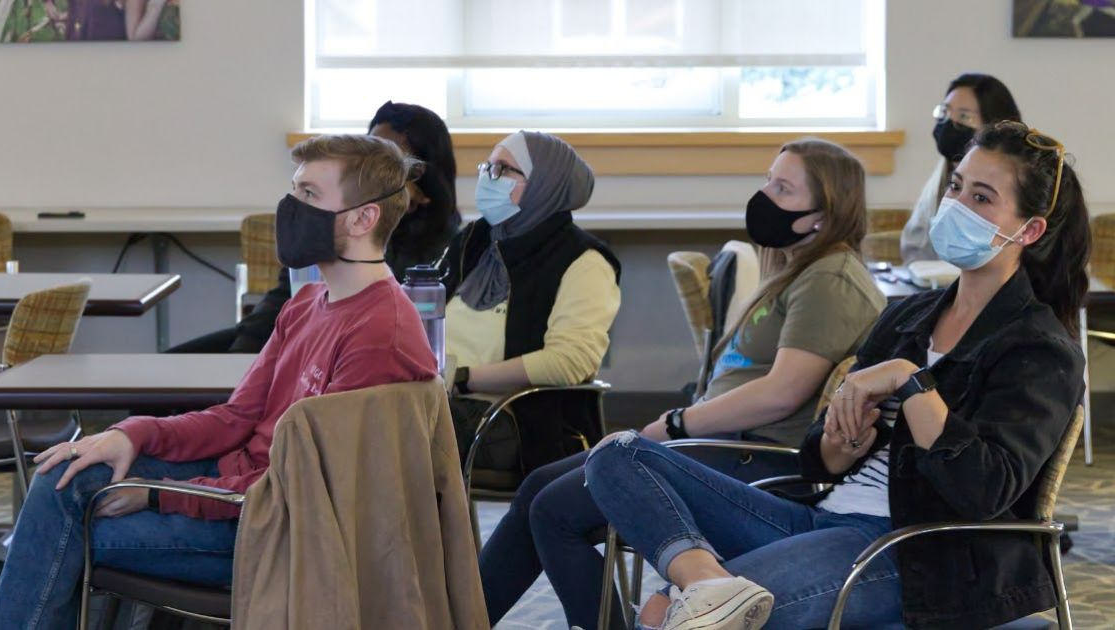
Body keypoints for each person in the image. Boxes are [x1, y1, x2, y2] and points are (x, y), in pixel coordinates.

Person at [585, 121, 1089, 630]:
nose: (956, 205)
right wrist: (838, 444)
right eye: (956, 186)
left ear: (1028, 230)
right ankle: (705, 582)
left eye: (982, 198)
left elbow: (983, 490)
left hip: (913, 552)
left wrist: (912, 382)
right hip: (821, 517)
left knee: (663, 612)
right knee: (616, 454)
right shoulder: (908, 317)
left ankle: (706, 595)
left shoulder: (1040, 349)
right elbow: (819, 460)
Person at [0, 134, 438, 629]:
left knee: (64, 528)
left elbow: (307, 490)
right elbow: (235, 417)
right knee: (66, 477)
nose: (289, 208)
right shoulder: (306, 304)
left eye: (309, 195)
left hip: (274, 524)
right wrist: (130, 435)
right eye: (293, 191)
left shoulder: (379, 333)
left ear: (362, 218)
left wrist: (159, 493)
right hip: (238, 488)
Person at [481, 138, 886, 629]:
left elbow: (783, 392)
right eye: (767, 180)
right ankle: (464, 617)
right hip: (718, 442)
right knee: (540, 489)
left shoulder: (831, 280)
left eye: (783, 188)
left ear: (824, 212)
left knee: (553, 509)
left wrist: (674, 424)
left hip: (752, 455)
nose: (764, 196)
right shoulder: (799, 269)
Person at [168, 101, 461, 354]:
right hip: (287, 339)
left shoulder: (449, 246)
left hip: (332, 357)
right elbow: (284, 299)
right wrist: (243, 351)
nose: (373, 167)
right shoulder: (331, 220)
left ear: (422, 175)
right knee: (165, 374)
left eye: (391, 161)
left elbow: (393, 317)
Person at [441, 131, 621, 475]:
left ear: (545, 183)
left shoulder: (582, 260)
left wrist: (463, 378)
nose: (486, 178)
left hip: (512, 420)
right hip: (443, 404)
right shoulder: (474, 242)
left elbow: (570, 361)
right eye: (486, 167)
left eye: (502, 170)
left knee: (385, 432)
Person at [900, 73, 1021, 264]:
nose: (949, 123)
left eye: (964, 116)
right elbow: (915, 249)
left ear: (995, 125)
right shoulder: (939, 180)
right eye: (946, 112)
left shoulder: (1019, 182)